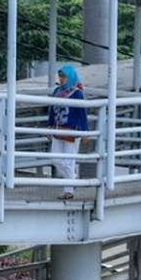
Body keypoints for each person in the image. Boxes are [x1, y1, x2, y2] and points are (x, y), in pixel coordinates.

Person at [47, 64, 88, 200]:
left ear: (70, 77)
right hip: (58, 129)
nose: (61, 79)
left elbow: (82, 114)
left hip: (72, 130)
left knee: (70, 160)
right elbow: (52, 110)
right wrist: (49, 126)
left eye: (64, 76)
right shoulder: (57, 91)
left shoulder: (77, 93)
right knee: (55, 158)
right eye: (60, 76)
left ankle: (68, 190)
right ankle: (72, 179)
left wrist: (84, 132)